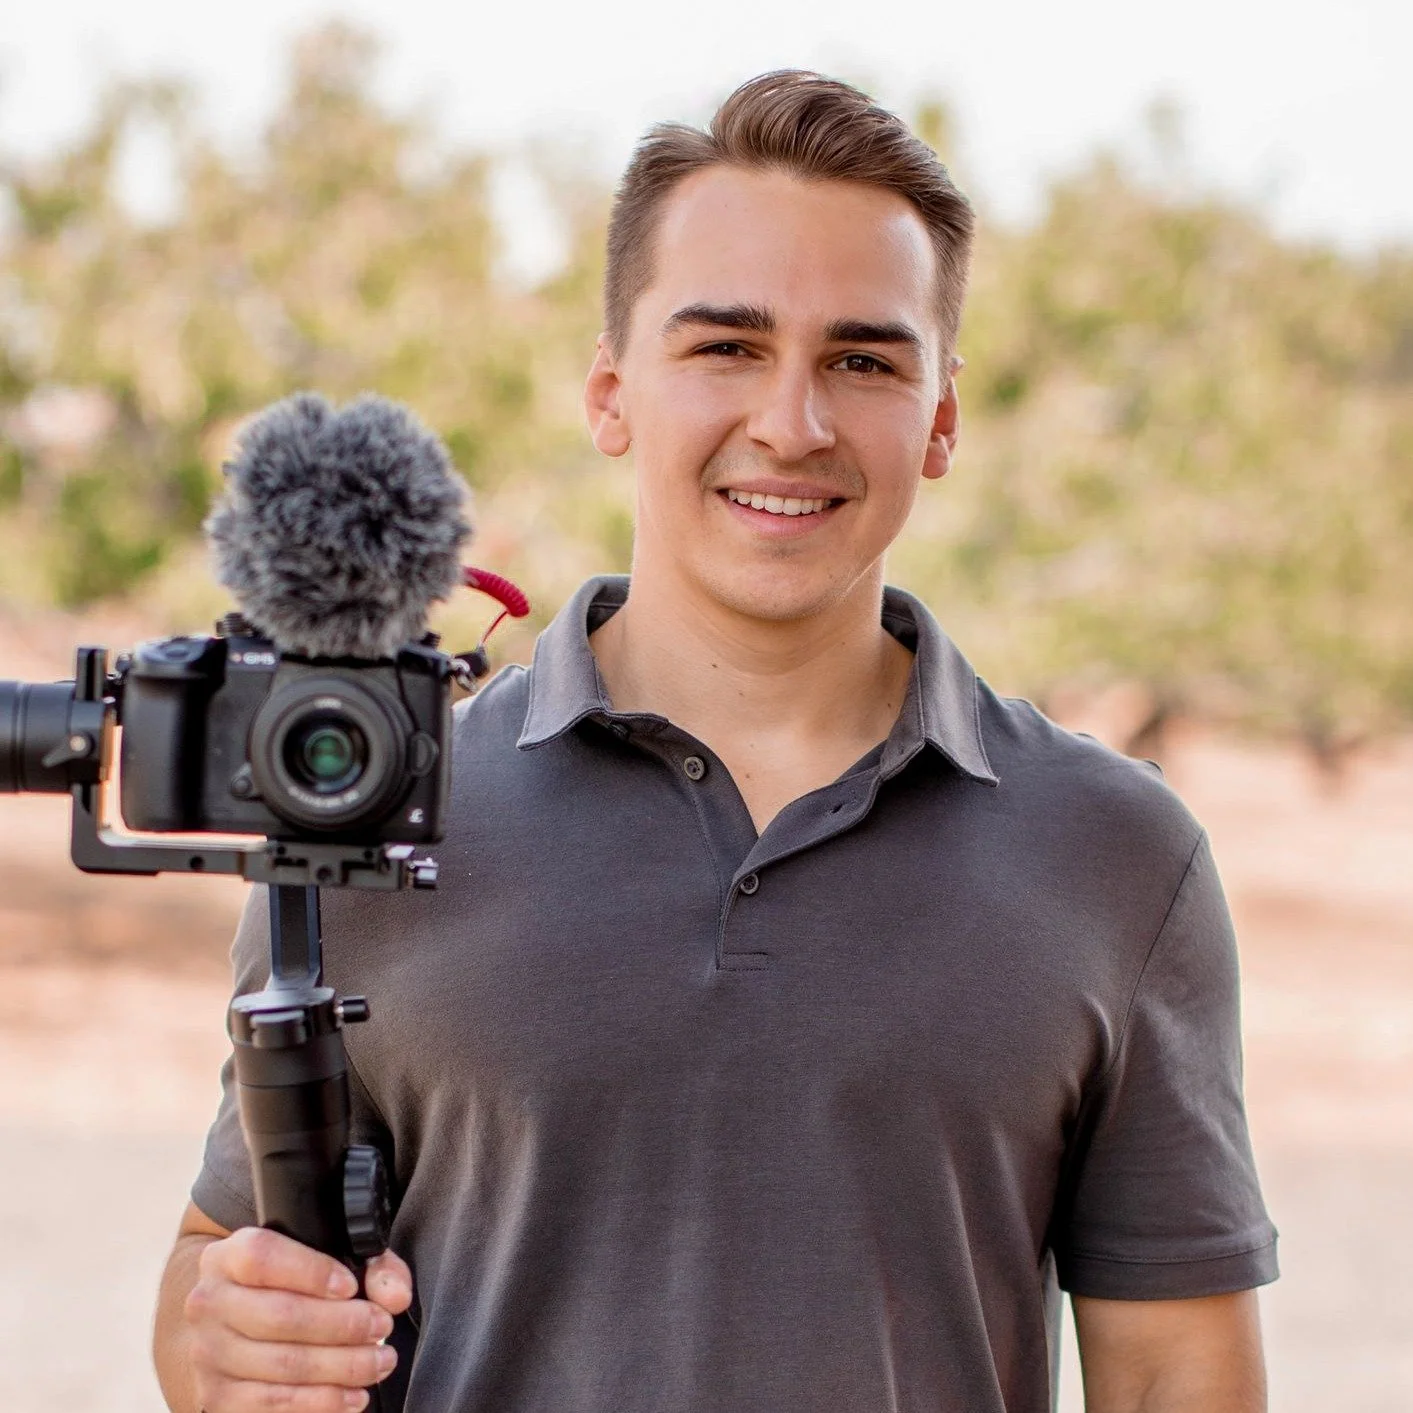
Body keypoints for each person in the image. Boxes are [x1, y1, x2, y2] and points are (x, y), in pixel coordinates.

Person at [153, 71, 1277, 1413]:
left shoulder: (1116, 855)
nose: (793, 424)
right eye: (726, 347)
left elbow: (1175, 1377)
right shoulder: (385, 806)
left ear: (942, 418)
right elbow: (221, 1274)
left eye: (863, 359)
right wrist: (218, 1345)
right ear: (612, 393)